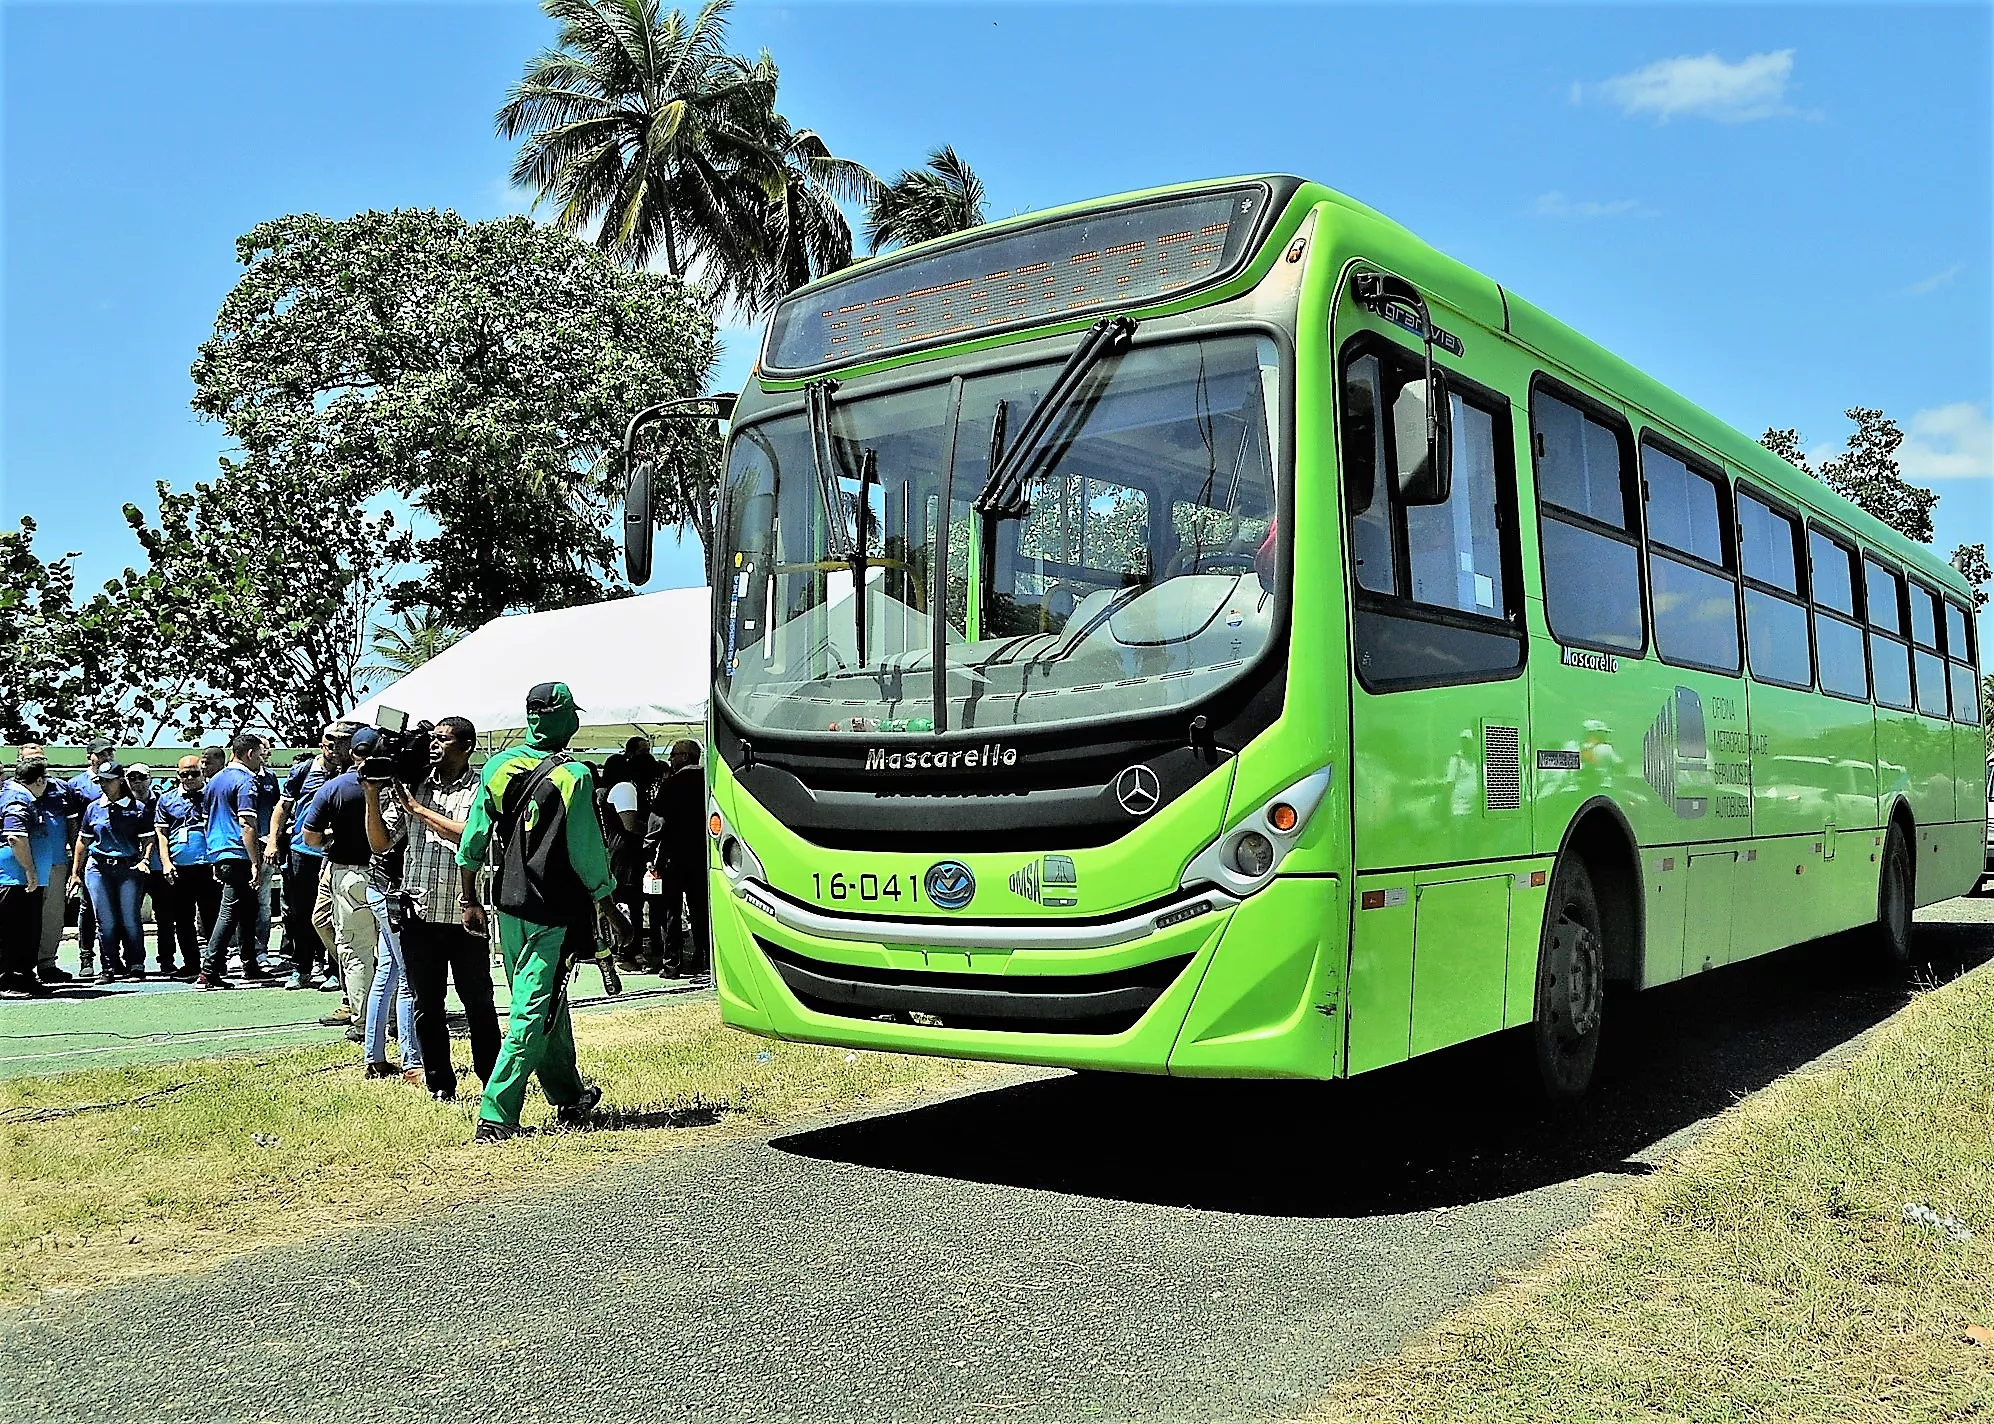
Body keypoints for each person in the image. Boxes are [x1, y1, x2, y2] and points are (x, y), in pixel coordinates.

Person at [457, 682, 630, 1142]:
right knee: (532, 1011)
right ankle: (497, 1112)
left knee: (548, 1002)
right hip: (551, 910)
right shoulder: (575, 775)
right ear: (557, 718)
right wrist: (608, 903)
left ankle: (569, 1096)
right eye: (573, 712)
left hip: (507, 904)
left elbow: (473, 838)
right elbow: (587, 849)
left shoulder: (497, 766)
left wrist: (470, 898)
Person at [368, 716, 502, 1100]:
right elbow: (380, 844)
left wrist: (418, 810)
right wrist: (372, 797)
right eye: (432, 738)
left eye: (443, 739)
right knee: (426, 1003)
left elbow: (472, 834)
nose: (434, 745)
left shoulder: (480, 787)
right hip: (419, 912)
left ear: (467, 746)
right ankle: (439, 1083)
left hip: (465, 914)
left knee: (478, 1001)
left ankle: (492, 1079)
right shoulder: (415, 785)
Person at [344, 726, 421, 1082]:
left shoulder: (397, 784)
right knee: (408, 978)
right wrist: (373, 794)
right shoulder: (393, 792)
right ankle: (412, 1060)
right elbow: (382, 843)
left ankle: (374, 1056)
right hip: (391, 890)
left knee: (388, 973)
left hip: (382, 887)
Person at [301, 734, 379, 1039]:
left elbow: (311, 838)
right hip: (383, 872)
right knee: (327, 925)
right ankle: (364, 1002)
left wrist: (335, 835)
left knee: (356, 951)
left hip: (348, 872)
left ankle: (364, 1020)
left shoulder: (336, 787)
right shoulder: (402, 783)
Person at [272, 725, 350, 992]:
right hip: (301, 852)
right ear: (321, 742)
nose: (334, 747)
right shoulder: (303, 770)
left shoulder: (348, 771)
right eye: (330, 741)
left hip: (334, 853)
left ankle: (335, 970)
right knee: (299, 914)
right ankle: (301, 968)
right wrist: (273, 841)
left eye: (340, 742)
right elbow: (282, 808)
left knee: (333, 915)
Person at [197, 733, 276, 989]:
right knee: (230, 911)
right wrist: (255, 860)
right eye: (260, 754)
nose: (261, 759)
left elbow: (208, 820)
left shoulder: (214, 781)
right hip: (238, 853)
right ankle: (209, 970)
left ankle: (249, 963)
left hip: (220, 852)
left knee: (247, 909)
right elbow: (247, 823)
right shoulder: (247, 781)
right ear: (250, 754)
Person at [69, 762, 154, 983]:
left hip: (128, 867)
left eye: (108, 780)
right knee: (104, 920)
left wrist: (144, 859)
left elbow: (148, 839)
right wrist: (75, 873)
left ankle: (136, 964)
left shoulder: (137, 809)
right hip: (98, 867)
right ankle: (108, 967)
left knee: (129, 918)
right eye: (101, 781)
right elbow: (83, 840)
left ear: (120, 781)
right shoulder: (93, 808)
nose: (104, 785)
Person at [1, 756, 65, 999]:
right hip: (14, 878)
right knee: (11, 931)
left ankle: (23, 976)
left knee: (27, 930)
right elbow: (15, 837)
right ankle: (6, 980)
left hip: (23, 879)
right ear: (39, 780)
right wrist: (29, 869)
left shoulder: (21, 795)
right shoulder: (17, 799)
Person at [650, 738, 709, 978]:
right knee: (701, 908)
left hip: (674, 856)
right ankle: (704, 956)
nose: (670, 759)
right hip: (703, 855)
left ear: (685, 756)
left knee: (672, 912)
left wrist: (649, 849)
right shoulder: (709, 781)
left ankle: (672, 964)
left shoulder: (671, 785)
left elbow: (657, 823)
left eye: (674, 755)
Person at [154, 755, 217, 979]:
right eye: (184, 774)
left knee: (212, 917)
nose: (189, 778)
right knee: (183, 919)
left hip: (210, 866)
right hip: (179, 868)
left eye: (194, 773)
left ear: (202, 772)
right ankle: (191, 964)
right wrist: (166, 862)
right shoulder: (167, 800)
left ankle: (215, 964)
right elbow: (161, 834)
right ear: (177, 774)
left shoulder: (213, 795)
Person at [601, 736, 659, 970]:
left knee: (624, 900)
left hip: (618, 852)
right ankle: (627, 952)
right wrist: (654, 827)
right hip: (626, 854)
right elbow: (630, 824)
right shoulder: (625, 788)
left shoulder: (609, 790)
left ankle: (623, 950)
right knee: (629, 901)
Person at [63, 738, 117, 976]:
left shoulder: (120, 778)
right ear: (90, 757)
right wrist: (78, 856)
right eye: (100, 753)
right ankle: (86, 958)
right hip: (89, 853)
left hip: (119, 853)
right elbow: (73, 822)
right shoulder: (76, 784)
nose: (105, 757)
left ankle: (115, 959)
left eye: (109, 752)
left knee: (118, 907)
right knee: (88, 907)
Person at [123, 765, 168, 975]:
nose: (136, 781)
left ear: (149, 779)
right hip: (131, 869)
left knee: (166, 917)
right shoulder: (122, 805)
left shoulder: (162, 802)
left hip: (159, 869)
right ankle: (133, 961)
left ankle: (167, 960)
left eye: (141, 777)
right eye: (132, 777)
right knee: (130, 917)